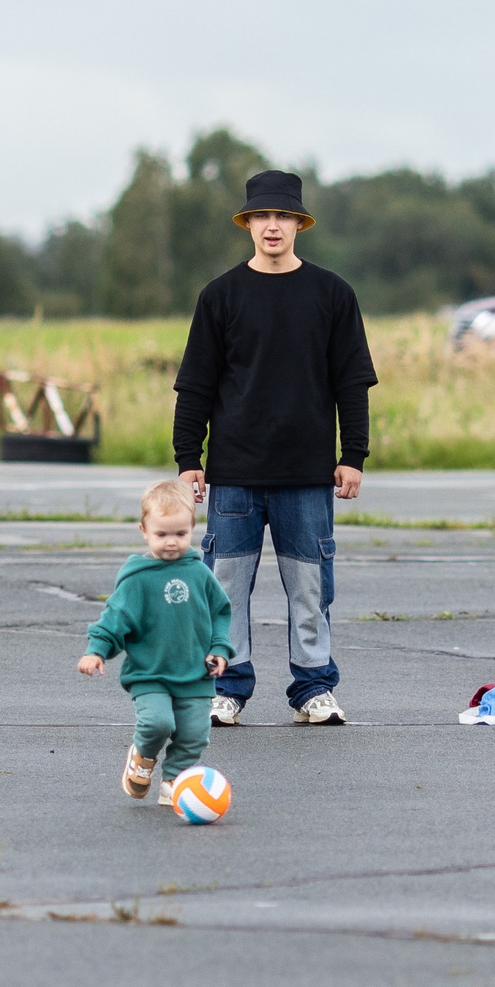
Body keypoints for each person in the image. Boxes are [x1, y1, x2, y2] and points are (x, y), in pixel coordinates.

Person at [173, 170, 378, 726]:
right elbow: (196, 384)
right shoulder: (220, 295)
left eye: (283, 216)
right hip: (235, 472)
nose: (272, 226)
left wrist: (352, 455)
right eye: (261, 216)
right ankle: (227, 688)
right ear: (247, 223)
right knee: (225, 588)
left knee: (311, 588)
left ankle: (313, 688)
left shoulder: (332, 294)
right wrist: (188, 459)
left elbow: (351, 382)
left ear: (299, 224)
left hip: (308, 474)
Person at [77, 480, 235, 807]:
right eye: (162, 535)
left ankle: (174, 779)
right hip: (150, 673)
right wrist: (96, 649)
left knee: (194, 734)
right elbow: (116, 617)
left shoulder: (200, 574)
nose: (172, 543)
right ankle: (143, 755)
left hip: (194, 673)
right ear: (144, 530)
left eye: (180, 534)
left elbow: (221, 611)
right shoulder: (138, 578)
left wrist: (219, 648)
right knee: (158, 722)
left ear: (192, 529)